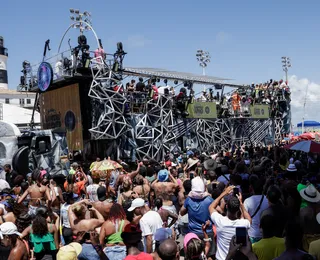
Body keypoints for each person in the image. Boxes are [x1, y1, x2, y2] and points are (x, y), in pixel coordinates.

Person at [209, 186, 251, 260]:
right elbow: (249, 219)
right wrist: (241, 203)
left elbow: (211, 207)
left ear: (226, 206)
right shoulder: (242, 224)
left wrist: (224, 193)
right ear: (238, 209)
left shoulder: (220, 221)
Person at [180, 176, 215, 258]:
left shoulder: (188, 200)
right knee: (209, 255)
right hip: (208, 231)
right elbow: (219, 211)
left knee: (193, 255)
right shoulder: (209, 200)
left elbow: (181, 212)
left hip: (194, 233)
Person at [243, 178, 268, 243]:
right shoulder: (268, 200)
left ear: (252, 189)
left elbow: (243, 218)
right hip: (265, 234)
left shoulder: (247, 201)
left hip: (252, 234)